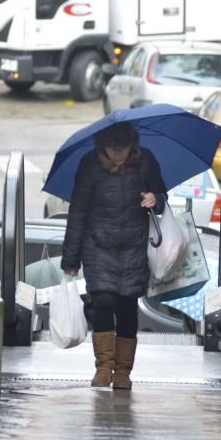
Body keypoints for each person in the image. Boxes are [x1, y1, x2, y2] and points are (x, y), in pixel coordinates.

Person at [61, 122, 167, 389]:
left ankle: (122, 372)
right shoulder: (90, 164)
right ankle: (104, 367)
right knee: (104, 301)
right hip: (98, 246)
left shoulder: (146, 162)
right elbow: (78, 212)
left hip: (135, 244)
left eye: (123, 148)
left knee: (128, 305)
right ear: (103, 146)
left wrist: (155, 199)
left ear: (132, 144)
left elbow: (162, 196)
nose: (117, 154)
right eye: (111, 148)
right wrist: (71, 259)